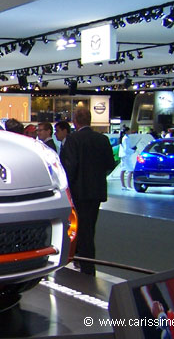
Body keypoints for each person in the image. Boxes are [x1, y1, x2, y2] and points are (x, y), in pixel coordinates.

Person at [59, 107, 115, 276]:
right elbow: (110, 164)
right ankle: (84, 263)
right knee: (89, 227)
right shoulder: (102, 139)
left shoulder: (73, 140)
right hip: (96, 191)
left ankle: (87, 266)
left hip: (78, 191)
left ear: (75, 121)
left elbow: (70, 167)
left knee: (82, 229)